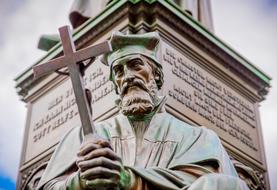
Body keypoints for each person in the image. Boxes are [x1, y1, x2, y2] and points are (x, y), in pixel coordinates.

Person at [37, 32, 249, 190]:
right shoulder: (86, 135)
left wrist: (129, 179)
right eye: (118, 71)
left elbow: (207, 183)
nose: (127, 76)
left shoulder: (198, 137)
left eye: (135, 65)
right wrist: (80, 182)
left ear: (156, 75)